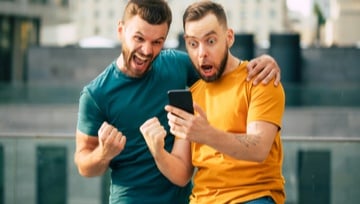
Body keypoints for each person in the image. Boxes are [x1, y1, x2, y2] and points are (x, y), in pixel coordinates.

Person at [74, 0, 282, 203]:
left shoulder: (177, 65)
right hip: (131, 198)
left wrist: (268, 61)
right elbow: (83, 165)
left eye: (157, 42)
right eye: (139, 38)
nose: (147, 50)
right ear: (121, 30)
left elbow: (222, 67)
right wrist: (103, 153)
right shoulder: (95, 95)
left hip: (186, 198)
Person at [140, 1, 286, 204]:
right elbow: (182, 173)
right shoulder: (193, 94)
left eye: (210, 41)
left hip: (253, 197)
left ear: (229, 38)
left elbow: (259, 147)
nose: (201, 53)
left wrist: (206, 134)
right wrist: (157, 151)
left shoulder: (260, 79)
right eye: (193, 43)